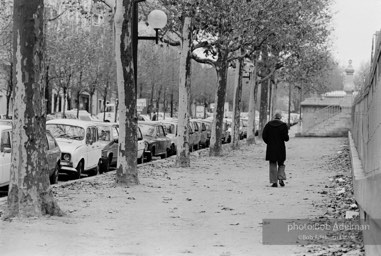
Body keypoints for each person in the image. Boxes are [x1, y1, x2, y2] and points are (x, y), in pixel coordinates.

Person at [262, 112, 289, 187]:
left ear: (274, 117)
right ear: (280, 118)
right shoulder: (283, 125)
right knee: (281, 163)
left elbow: (264, 135)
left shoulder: (268, 125)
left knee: (273, 164)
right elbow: (286, 138)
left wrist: (269, 142)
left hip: (271, 148)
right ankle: (281, 178)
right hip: (280, 147)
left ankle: (274, 182)